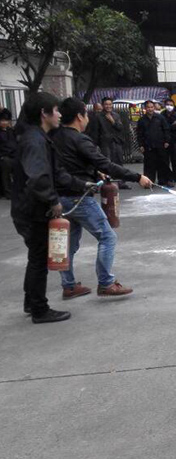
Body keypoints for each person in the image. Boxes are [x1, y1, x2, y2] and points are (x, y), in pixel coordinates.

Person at [52, 97, 154, 299]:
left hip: (59, 198)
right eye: (86, 114)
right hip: (79, 197)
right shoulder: (79, 139)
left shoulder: (54, 137)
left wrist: (93, 172)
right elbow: (105, 163)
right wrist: (137, 177)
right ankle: (106, 283)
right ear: (79, 116)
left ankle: (69, 285)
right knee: (107, 237)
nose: (88, 118)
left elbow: (71, 164)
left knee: (69, 243)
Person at [11, 92, 92, 323]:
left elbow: (57, 174)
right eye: (55, 110)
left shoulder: (41, 138)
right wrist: (52, 201)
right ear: (43, 114)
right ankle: (39, 309)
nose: (59, 115)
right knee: (39, 259)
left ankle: (31, 302)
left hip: (30, 208)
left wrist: (82, 184)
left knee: (35, 257)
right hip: (33, 210)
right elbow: (38, 178)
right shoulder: (34, 141)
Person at [136, 100, 173, 187]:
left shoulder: (160, 118)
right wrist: (141, 145)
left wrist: (167, 141)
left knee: (163, 163)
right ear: (145, 108)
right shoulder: (142, 120)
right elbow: (139, 134)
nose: (150, 109)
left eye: (152, 107)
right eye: (148, 107)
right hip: (148, 145)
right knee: (149, 165)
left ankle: (164, 180)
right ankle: (149, 182)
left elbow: (166, 129)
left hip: (160, 144)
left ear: (154, 108)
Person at [97, 97, 130, 189]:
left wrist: (112, 121)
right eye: (106, 104)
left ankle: (121, 182)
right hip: (105, 143)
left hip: (116, 141)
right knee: (106, 162)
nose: (108, 106)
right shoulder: (98, 116)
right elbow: (96, 131)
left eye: (110, 104)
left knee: (119, 162)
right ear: (103, 105)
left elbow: (120, 127)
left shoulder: (116, 115)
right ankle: (106, 183)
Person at [163, 98, 176, 183]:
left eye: (171, 105)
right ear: (164, 105)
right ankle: (168, 177)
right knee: (165, 160)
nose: (169, 106)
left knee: (175, 160)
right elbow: (162, 127)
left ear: (174, 106)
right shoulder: (161, 115)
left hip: (174, 141)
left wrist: (167, 126)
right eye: (167, 105)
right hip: (164, 141)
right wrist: (171, 126)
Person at [0, 108, 16, 199]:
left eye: (6, 120)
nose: (4, 122)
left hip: (13, 155)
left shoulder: (11, 131)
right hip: (4, 157)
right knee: (6, 165)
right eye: (2, 120)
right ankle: (8, 191)